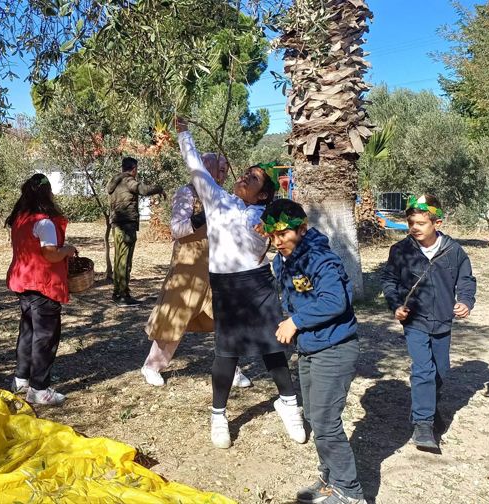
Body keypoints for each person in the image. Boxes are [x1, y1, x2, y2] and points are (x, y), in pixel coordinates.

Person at [176, 118, 305, 449]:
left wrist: (267, 225)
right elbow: (197, 170)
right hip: (227, 288)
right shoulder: (218, 201)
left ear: (262, 193)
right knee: (227, 352)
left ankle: (289, 405)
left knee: (273, 347)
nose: (244, 176)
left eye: (254, 177)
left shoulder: (266, 216)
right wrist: (184, 133)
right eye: (245, 172)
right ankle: (218, 415)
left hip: (259, 284)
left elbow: (280, 239)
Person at [262, 199, 363, 504]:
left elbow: (335, 301)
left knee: (325, 420)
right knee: (316, 418)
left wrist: (295, 321)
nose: (277, 241)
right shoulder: (284, 260)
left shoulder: (320, 259)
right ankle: (329, 479)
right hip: (311, 347)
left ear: (302, 229)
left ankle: (350, 492)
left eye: (283, 233)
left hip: (335, 348)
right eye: (272, 235)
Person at [141, 160, 251, 390]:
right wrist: (203, 216)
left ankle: (232, 369)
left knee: (225, 319)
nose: (222, 174)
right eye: (218, 169)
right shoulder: (187, 192)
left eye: (224, 170)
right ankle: (152, 366)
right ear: (205, 169)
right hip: (189, 266)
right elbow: (177, 229)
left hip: (218, 265)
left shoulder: (222, 195)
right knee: (174, 316)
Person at [381, 194, 476, 452]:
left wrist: (466, 301)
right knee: (423, 369)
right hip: (415, 320)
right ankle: (422, 425)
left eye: (421, 223)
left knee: (440, 371)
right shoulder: (400, 251)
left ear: (438, 223)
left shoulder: (453, 251)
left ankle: (430, 410)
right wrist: (396, 305)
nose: (414, 227)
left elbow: (466, 280)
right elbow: (389, 282)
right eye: (411, 222)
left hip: (443, 320)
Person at [5, 174, 77, 406]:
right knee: (45, 337)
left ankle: (21, 378)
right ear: (47, 194)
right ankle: (39, 388)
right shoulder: (44, 222)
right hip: (43, 285)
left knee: (27, 332)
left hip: (23, 283)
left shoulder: (20, 218)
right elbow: (50, 254)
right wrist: (68, 249)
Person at [106, 157, 166, 306]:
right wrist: (159, 188)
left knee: (119, 259)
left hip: (116, 225)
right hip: (127, 226)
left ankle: (117, 293)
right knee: (125, 261)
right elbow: (143, 190)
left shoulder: (114, 182)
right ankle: (123, 295)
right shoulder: (128, 181)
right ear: (134, 169)